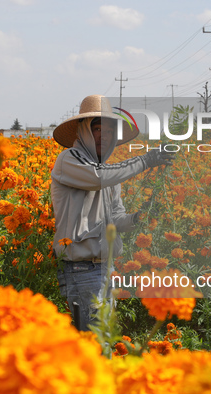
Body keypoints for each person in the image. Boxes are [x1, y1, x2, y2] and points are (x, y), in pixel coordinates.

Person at [51, 94, 173, 331]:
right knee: (93, 347)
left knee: (103, 346)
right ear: (83, 130)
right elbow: (97, 178)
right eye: (97, 129)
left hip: (105, 269)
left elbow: (116, 218)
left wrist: (139, 218)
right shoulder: (69, 160)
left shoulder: (108, 173)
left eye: (108, 131)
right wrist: (146, 160)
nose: (103, 136)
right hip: (82, 270)